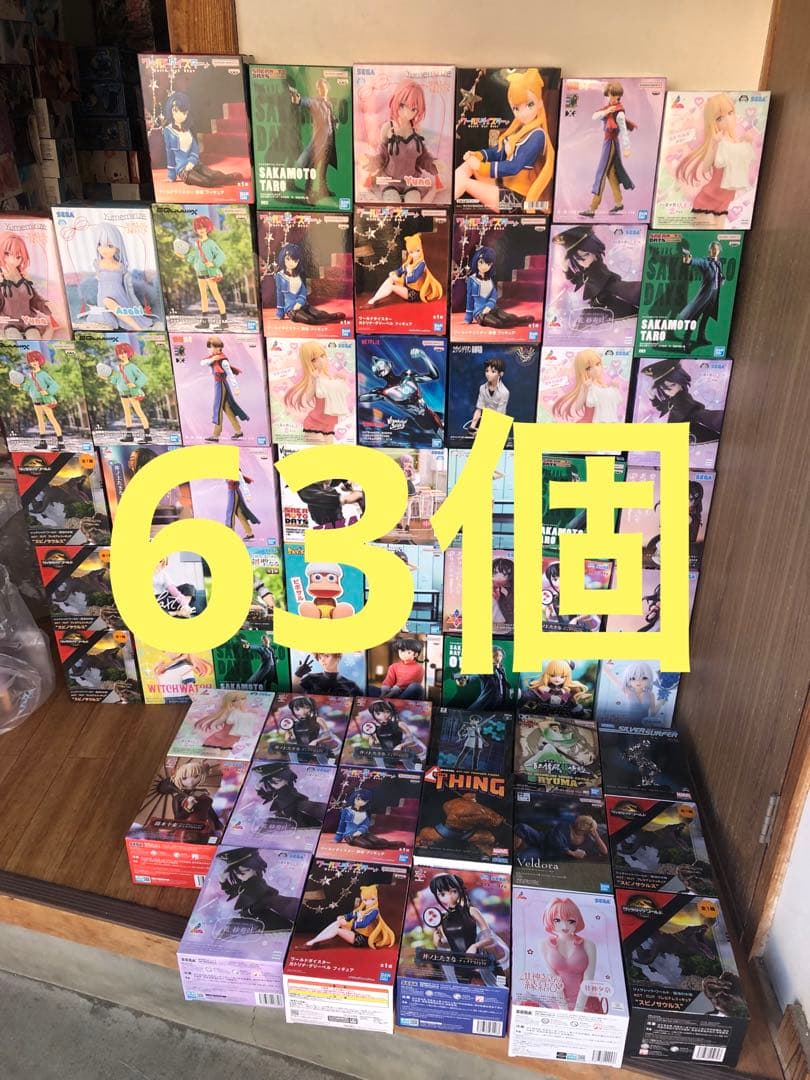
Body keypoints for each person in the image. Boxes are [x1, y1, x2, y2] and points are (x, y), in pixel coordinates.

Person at [455, 68, 555, 213]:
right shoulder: (519, 131)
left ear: (540, 103)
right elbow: (499, 152)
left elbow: (514, 166)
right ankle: (441, 198)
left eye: (530, 105)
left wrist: (481, 167)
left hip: (517, 201)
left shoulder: (538, 136)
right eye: (516, 108)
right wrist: (478, 155)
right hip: (506, 189)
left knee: (465, 182)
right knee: (469, 165)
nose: (523, 113)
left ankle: (443, 204)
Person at [675, 94, 754, 224]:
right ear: (712, 122)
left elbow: (744, 165)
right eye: (719, 118)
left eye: (730, 113)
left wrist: (748, 143)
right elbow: (705, 168)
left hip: (725, 201)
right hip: (708, 198)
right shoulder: (716, 141)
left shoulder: (736, 141)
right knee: (707, 234)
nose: (728, 120)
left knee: (718, 235)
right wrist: (714, 145)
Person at [363, 80, 440, 203]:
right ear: (396, 101)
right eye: (403, 105)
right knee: (393, 203)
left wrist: (434, 164)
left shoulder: (417, 130)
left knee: (413, 203)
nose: (407, 112)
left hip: (411, 180)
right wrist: (372, 161)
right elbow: (382, 155)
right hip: (390, 180)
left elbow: (422, 157)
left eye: (413, 109)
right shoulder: (388, 128)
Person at [76, 223, 157, 332]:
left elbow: (127, 286)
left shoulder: (120, 266)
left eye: (110, 246)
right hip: (104, 296)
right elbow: (99, 282)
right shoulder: (98, 264)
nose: (104, 250)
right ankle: (137, 328)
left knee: (112, 304)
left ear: (117, 248)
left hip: (119, 296)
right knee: (107, 301)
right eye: (100, 244)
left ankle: (136, 327)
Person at [551, 225, 640, 322]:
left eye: (585, 255)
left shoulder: (599, 270)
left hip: (610, 303)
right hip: (602, 305)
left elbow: (606, 283)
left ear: (594, 250)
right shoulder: (587, 271)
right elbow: (577, 279)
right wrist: (566, 269)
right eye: (578, 259)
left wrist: (598, 300)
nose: (582, 261)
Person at [428, 872, 510, 978]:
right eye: (443, 894)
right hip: (460, 966)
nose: (449, 896)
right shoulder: (442, 918)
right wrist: (438, 942)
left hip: (479, 960)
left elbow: (490, 938)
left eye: (453, 891)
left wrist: (475, 946)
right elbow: (450, 944)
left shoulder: (471, 911)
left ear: (459, 890)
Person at [162, 90, 243, 189]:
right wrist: (171, 175)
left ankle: (228, 177)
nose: (178, 114)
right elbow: (169, 152)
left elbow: (194, 148)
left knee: (214, 175)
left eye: (183, 111)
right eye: (175, 110)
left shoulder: (188, 128)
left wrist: (192, 161)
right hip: (184, 169)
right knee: (206, 181)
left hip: (196, 164)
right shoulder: (168, 131)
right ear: (171, 111)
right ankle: (227, 179)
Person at [580, 81, 636, 217]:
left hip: (611, 143)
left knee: (601, 172)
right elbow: (594, 116)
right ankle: (619, 203)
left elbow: (624, 130)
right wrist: (606, 111)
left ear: (618, 96)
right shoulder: (608, 109)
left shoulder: (619, 112)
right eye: (610, 95)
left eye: (613, 96)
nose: (611, 98)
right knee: (611, 173)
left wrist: (627, 148)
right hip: (608, 142)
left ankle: (592, 208)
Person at [640, 358, 724, 444]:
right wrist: (653, 398)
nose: (668, 391)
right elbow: (665, 407)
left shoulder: (682, 400)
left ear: (680, 381)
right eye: (664, 388)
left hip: (693, 432)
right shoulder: (674, 398)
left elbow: (676, 423)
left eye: (672, 385)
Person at [282, 341, 351, 443]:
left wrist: (340, 380)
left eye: (322, 356)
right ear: (308, 362)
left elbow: (338, 394)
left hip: (329, 423)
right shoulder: (313, 377)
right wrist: (314, 380)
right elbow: (308, 398)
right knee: (320, 451)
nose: (320, 361)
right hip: (315, 422)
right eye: (314, 359)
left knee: (329, 452)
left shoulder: (329, 376)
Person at [217, 847, 299, 932]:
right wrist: (223, 881)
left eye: (245, 871)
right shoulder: (245, 884)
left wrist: (248, 911)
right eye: (237, 873)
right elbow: (233, 891)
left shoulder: (257, 884)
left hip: (262, 917)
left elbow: (263, 900)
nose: (240, 876)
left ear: (255, 868)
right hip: (254, 916)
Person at [539, 897, 597, 1011]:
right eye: (557, 920)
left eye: (571, 921)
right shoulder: (544, 945)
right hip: (556, 1001)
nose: (565, 926)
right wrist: (563, 1008)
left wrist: (578, 1009)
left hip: (585, 1002)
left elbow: (588, 977)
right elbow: (553, 977)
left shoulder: (588, 944)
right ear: (550, 920)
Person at [176, 214, 227, 331]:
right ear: (196, 229)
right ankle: (205, 322)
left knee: (216, 295)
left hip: (210, 273)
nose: (201, 230)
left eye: (203, 227)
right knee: (203, 297)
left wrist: (213, 263)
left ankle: (224, 322)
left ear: (208, 228)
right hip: (200, 274)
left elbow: (221, 255)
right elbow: (193, 257)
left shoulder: (211, 243)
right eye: (199, 228)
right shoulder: (197, 244)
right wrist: (182, 256)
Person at [290, 77, 337, 204]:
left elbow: (329, 117)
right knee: (313, 167)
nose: (321, 89)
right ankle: (308, 194)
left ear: (327, 88)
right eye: (319, 87)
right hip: (319, 142)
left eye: (323, 86)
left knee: (324, 166)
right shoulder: (315, 102)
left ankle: (323, 188)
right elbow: (303, 101)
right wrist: (297, 98)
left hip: (330, 140)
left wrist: (334, 122)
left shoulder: (329, 104)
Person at [304, 884, 396, 949]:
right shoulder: (362, 909)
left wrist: (348, 924)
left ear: (376, 898)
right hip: (355, 932)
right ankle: (315, 941)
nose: (368, 902)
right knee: (338, 922)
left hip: (362, 939)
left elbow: (364, 923)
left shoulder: (374, 912)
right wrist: (343, 917)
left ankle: (311, 943)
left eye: (372, 899)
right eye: (365, 900)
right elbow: (351, 915)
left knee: (337, 930)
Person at [463, 246, 534, 329]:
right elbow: (469, 298)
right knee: (498, 323)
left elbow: (493, 295)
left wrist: (489, 306)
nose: (484, 266)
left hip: (494, 308)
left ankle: (518, 320)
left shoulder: (489, 280)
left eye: (488, 264)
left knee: (507, 318)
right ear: (476, 261)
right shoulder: (472, 280)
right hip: (481, 312)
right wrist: (468, 317)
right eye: (481, 262)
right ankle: (513, 323)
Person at [366, 233, 443, 308]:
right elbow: (400, 270)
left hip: (414, 293)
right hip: (406, 288)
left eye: (418, 251)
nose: (415, 254)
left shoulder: (422, 264)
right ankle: (375, 299)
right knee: (390, 279)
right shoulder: (409, 262)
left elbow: (413, 278)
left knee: (391, 287)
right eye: (411, 252)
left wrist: (398, 279)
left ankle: (373, 301)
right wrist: (394, 273)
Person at [0, 231, 54, 339]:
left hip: (28, 320)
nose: (12, 260)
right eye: (7, 254)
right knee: (14, 337)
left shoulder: (24, 278)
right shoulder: (1, 279)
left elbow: (34, 299)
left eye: (18, 257)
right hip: (9, 321)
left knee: (34, 337)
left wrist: (47, 306)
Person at [274, 242, 343, 325]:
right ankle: (325, 320)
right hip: (292, 309)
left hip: (304, 305)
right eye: (288, 259)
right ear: (283, 258)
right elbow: (279, 294)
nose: (291, 262)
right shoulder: (280, 276)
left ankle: (331, 316)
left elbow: (303, 292)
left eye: (295, 260)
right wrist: (280, 313)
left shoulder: (300, 274)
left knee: (319, 314)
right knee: (309, 319)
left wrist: (300, 302)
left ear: (298, 261)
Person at [98, 340, 152, 444]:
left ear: (129, 353)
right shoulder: (119, 368)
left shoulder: (132, 367)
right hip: (123, 395)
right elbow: (115, 380)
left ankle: (148, 436)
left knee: (139, 413)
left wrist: (135, 384)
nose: (122, 355)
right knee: (127, 414)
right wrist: (105, 378)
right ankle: (129, 435)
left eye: (124, 352)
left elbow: (143, 377)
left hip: (132, 393)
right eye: (120, 353)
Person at [551, 348, 625, 423]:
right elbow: (578, 407)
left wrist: (615, 388)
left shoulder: (604, 385)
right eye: (588, 368)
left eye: (597, 364)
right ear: (582, 370)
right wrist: (585, 389)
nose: (595, 369)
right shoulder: (587, 386)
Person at [9, 350, 63, 448]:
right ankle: (43, 443)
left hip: (45, 400)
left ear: (40, 361)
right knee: (40, 421)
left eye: (36, 360)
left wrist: (47, 391)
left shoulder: (44, 374)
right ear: (29, 362)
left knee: (52, 419)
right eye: (31, 361)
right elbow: (27, 387)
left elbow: (55, 385)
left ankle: (61, 443)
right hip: (35, 401)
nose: (34, 362)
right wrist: (18, 385)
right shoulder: (30, 375)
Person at [201, 335, 249, 442]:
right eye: (211, 347)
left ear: (220, 347)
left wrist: (236, 388)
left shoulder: (223, 361)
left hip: (221, 384)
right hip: (217, 384)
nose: (212, 349)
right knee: (226, 408)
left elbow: (230, 374)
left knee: (217, 408)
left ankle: (215, 435)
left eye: (214, 347)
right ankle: (238, 431)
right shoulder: (212, 358)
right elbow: (202, 362)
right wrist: (212, 359)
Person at [678, 241, 725, 349]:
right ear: (709, 250)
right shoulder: (705, 262)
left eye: (716, 249)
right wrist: (688, 257)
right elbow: (694, 261)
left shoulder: (719, 263)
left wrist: (722, 278)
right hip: (705, 295)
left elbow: (718, 275)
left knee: (706, 316)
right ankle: (685, 341)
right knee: (695, 317)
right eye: (713, 248)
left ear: (719, 250)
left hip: (714, 294)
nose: (715, 251)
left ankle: (701, 337)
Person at [253, 762, 325, 828]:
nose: (273, 785)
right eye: (271, 782)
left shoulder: (304, 806)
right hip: (284, 813)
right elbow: (267, 795)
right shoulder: (275, 793)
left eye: (277, 780)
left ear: (287, 778)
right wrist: (258, 789)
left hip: (296, 810)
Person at [334, 786, 404, 850]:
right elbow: (342, 824)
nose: (360, 801)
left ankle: (390, 844)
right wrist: (338, 838)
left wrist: (360, 831)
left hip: (364, 833)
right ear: (354, 797)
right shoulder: (347, 811)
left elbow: (365, 824)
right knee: (367, 845)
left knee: (377, 841)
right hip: (351, 836)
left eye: (363, 800)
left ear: (366, 802)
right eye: (358, 799)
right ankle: (389, 845)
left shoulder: (364, 812)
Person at [466, 357, 510, 434]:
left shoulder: (504, 392)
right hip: (485, 423)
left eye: (493, 372)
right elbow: (479, 409)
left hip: (498, 426)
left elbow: (499, 417)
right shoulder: (482, 388)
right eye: (487, 371)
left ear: (501, 374)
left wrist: (484, 432)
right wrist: (472, 427)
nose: (488, 374)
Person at [294, 652, 363, 696]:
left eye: (326, 656)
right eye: (320, 657)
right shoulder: (310, 678)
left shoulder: (351, 685)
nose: (322, 660)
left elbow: (361, 704)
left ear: (338, 657)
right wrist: (298, 675)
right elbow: (293, 693)